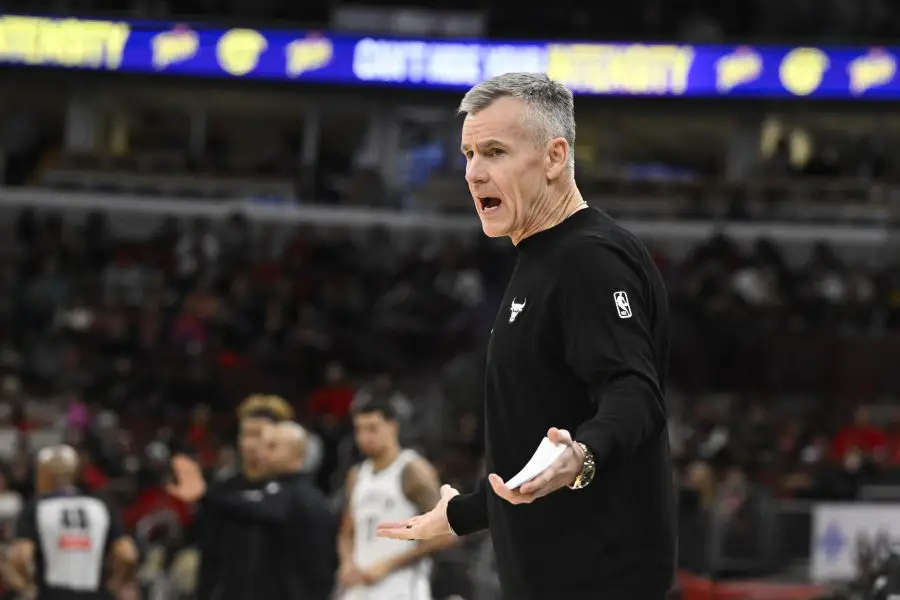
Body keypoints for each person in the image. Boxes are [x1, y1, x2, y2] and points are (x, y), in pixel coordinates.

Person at [377, 72, 676, 600]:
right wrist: (464, 513)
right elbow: (538, 454)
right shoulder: (542, 258)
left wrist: (584, 455)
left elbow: (633, 390)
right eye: (469, 154)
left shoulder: (588, 260)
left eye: (494, 152)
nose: (474, 173)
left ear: (555, 157)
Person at [168, 420, 337, 600]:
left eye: (272, 447)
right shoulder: (280, 490)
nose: (262, 453)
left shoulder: (299, 495)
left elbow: (257, 509)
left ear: (296, 452)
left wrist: (205, 495)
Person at [338, 401, 454, 600]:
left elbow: (446, 533)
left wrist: (389, 564)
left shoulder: (412, 470)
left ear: (392, 427)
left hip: (401, 585)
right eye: (359, 430)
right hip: (360, 585)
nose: (365, 437)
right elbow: (347, 531)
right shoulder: (356, 475)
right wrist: (347, 562)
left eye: (372, 428)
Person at [2, 445, 138, 600]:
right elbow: (127, 554)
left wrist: (26, 586)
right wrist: (116, 583)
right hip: (95, 594)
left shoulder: (37, 507)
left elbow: (21, 556)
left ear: (42, 475)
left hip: (51, 594)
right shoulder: (101, 505)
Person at [193, 394, 293, 600]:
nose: (251, 444)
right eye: (246, 434)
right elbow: (209, 557)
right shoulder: (222, 491)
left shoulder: (291, 490)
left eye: (259, 435)